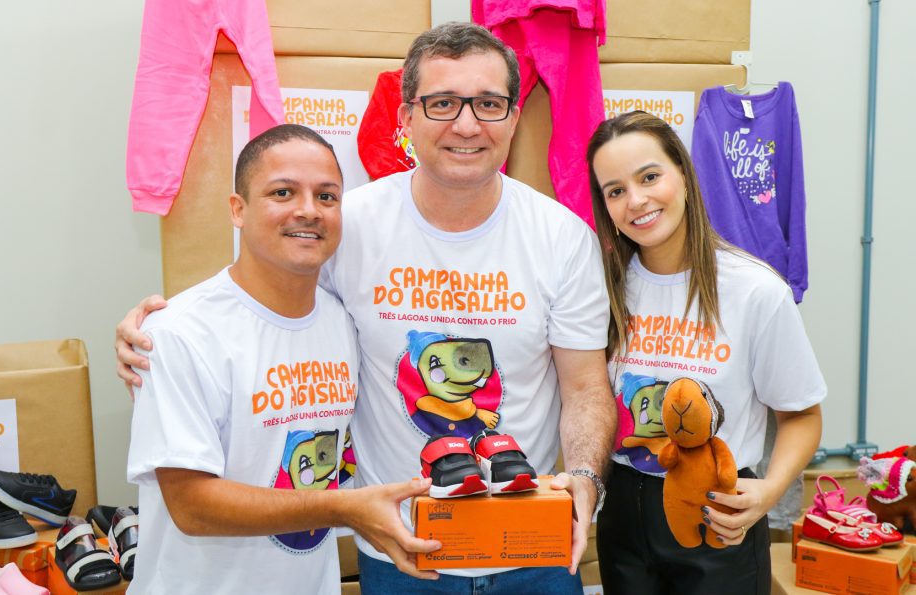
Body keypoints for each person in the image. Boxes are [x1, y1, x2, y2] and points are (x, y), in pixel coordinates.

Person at [116, 22, 615, 595]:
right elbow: (262, 303)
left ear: (513, 117)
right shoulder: (346, 224)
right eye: (443, 103)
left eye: (488, 103)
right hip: (401, 553)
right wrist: (158, 331)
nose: (466, 124)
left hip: (532, 550)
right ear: (406, 118)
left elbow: (585, 388)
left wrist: (584, 477)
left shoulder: (561, 238)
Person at [125, 124, 442, 595]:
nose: (308, 210)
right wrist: (344, 508)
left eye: (327, 196)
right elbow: (190, 506)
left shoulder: (343, 322)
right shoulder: (178, 333)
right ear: (238, 209)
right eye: (283, 192)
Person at [586, 110, 826, 594]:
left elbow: (801, 416)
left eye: (649, 177)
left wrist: (768, 491)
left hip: (718, 515)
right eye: (615, 191)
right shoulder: (601, 288)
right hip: (624, 516)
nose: (636, 201)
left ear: (683, 172)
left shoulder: (755, 290)